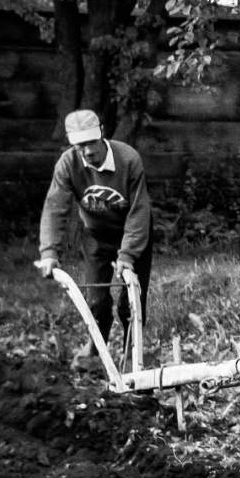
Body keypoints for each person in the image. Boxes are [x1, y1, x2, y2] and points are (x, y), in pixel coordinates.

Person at [34, 109, 153, 371]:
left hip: (132, 234)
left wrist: (127, 256)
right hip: (96, 236)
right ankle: (95, 347)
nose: (87, 152)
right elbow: (55, 207)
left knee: (131, 299)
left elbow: (139, 211)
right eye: (80, 146)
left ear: (101, 135)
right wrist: (49, 252)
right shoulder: (68, 164)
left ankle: (132, 353)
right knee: (97, 300)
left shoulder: (128, 159)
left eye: (90, 143)